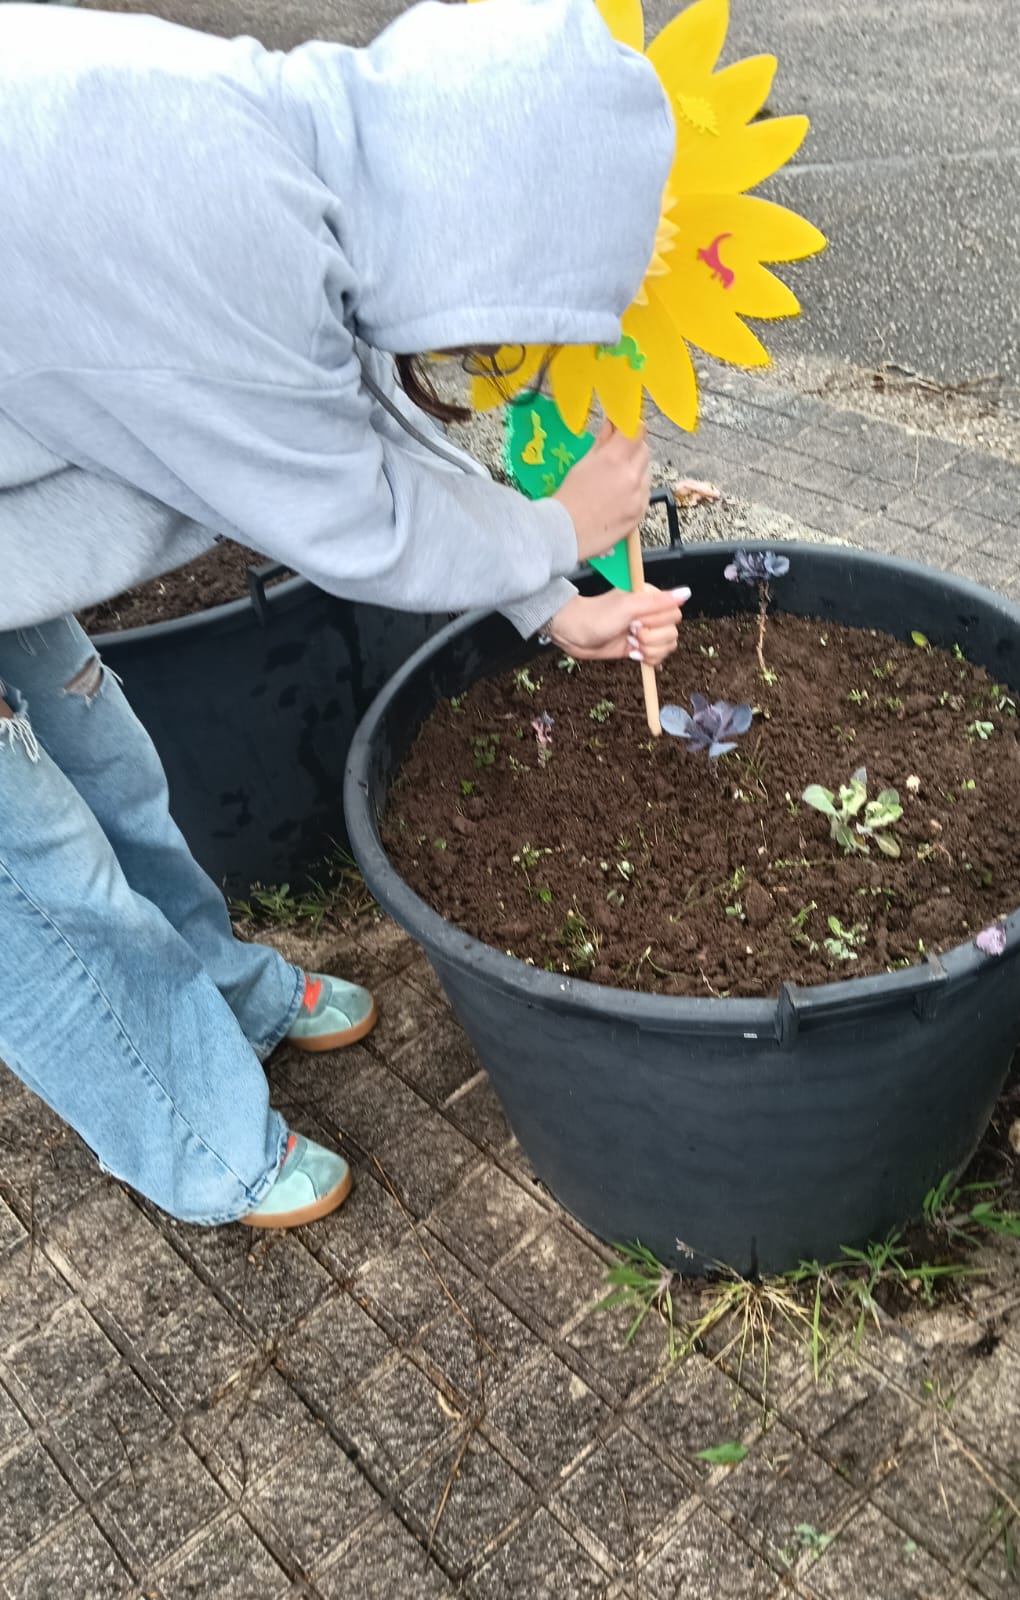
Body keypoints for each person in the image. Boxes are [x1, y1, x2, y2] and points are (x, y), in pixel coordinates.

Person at [0, 0, 684, 1229]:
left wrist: (542, 599)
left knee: (102, 754)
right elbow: (352, 516)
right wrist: (558, 532)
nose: (510, 348)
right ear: (490, 227)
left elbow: (361, 408)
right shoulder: (219, 218)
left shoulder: (302, 150)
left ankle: (225, 988)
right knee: (36, 881)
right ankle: (205, 1140)